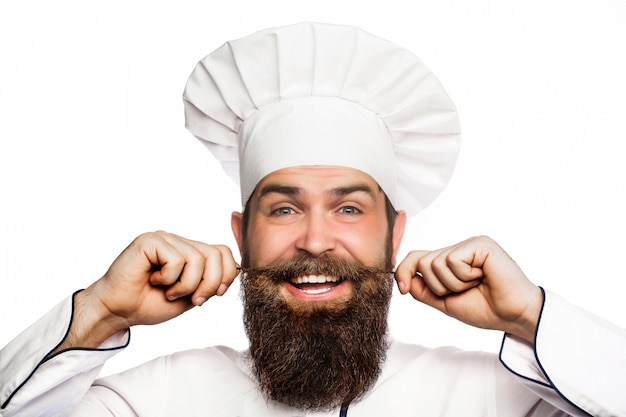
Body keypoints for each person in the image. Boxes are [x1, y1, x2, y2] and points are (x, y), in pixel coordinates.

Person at [0, 22, 624, 417]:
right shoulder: (145, 402)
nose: (317, 239)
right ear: (242, 235)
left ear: (395, 235)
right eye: (285, 208)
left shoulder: (502, 402)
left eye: (349, 208)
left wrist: (532, 317)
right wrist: (98, 314)